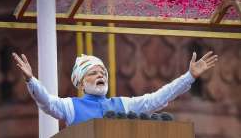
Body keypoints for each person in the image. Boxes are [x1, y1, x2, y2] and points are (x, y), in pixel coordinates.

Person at [12, 51, 218, 126]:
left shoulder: (122, 104)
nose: (100, 75)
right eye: (93, 72)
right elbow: (47, 102)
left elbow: (157, 98)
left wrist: (189, 76)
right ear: (82, 82)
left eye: (103, 72)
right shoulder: (71, 106)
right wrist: (31, 80)